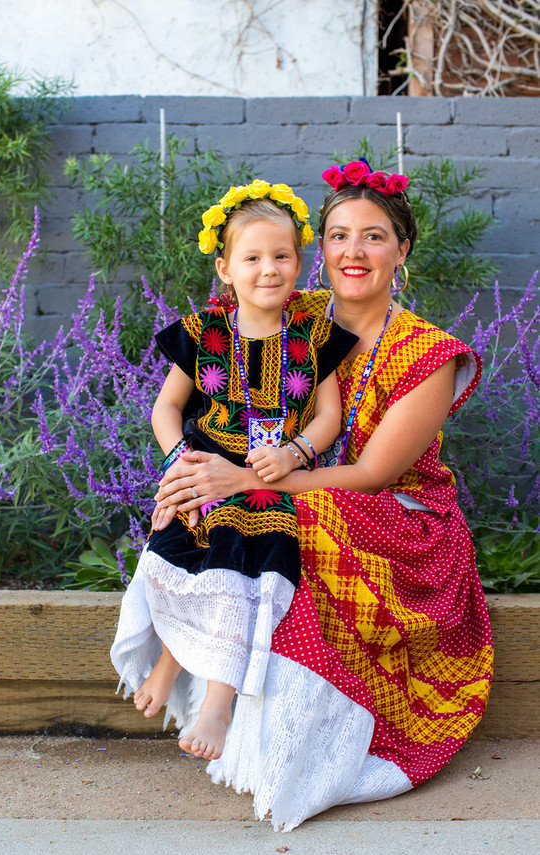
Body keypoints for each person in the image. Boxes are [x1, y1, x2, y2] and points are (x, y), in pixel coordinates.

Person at [149, 160, 494, 832]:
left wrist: (245, 479)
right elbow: (204, 379)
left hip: (406, 521)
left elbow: (371, 474)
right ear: (319, 250)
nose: (353, 252)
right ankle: (220, 700)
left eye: (373, 236)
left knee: (285, 512)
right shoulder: (294, 312)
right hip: (295, 489)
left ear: (402, 250)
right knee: (222, 504)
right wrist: (187, 466)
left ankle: (309, 743)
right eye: (338, 236)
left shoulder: (428, 352)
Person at [111, 179, 357, 764]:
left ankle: (217, 703)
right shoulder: (203, 334)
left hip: (270, 480)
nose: (268, 269)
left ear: (301, 264)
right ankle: (170, 658)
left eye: (282, 256)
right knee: (182, 545)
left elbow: (329, 414)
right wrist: (179, 461)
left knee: (244, 557)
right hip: (203, 466)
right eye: (251, 258)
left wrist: (295, 452)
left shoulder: (315, 337)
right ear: (225, 268)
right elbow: (167, 408)